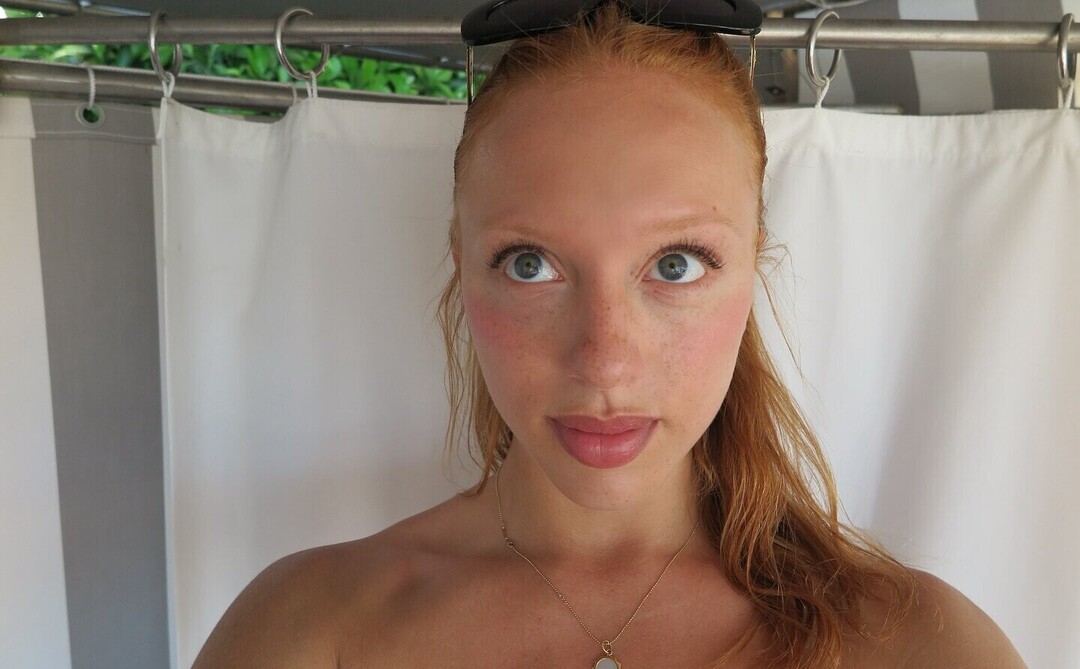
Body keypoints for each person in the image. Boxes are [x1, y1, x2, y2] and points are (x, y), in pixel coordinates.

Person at [192, 2, 1027, 667]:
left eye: (676, 264)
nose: (605, 362)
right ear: (461, 265)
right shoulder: (308, 631)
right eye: (530, 265)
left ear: (754, 265)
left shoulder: (921, 645)